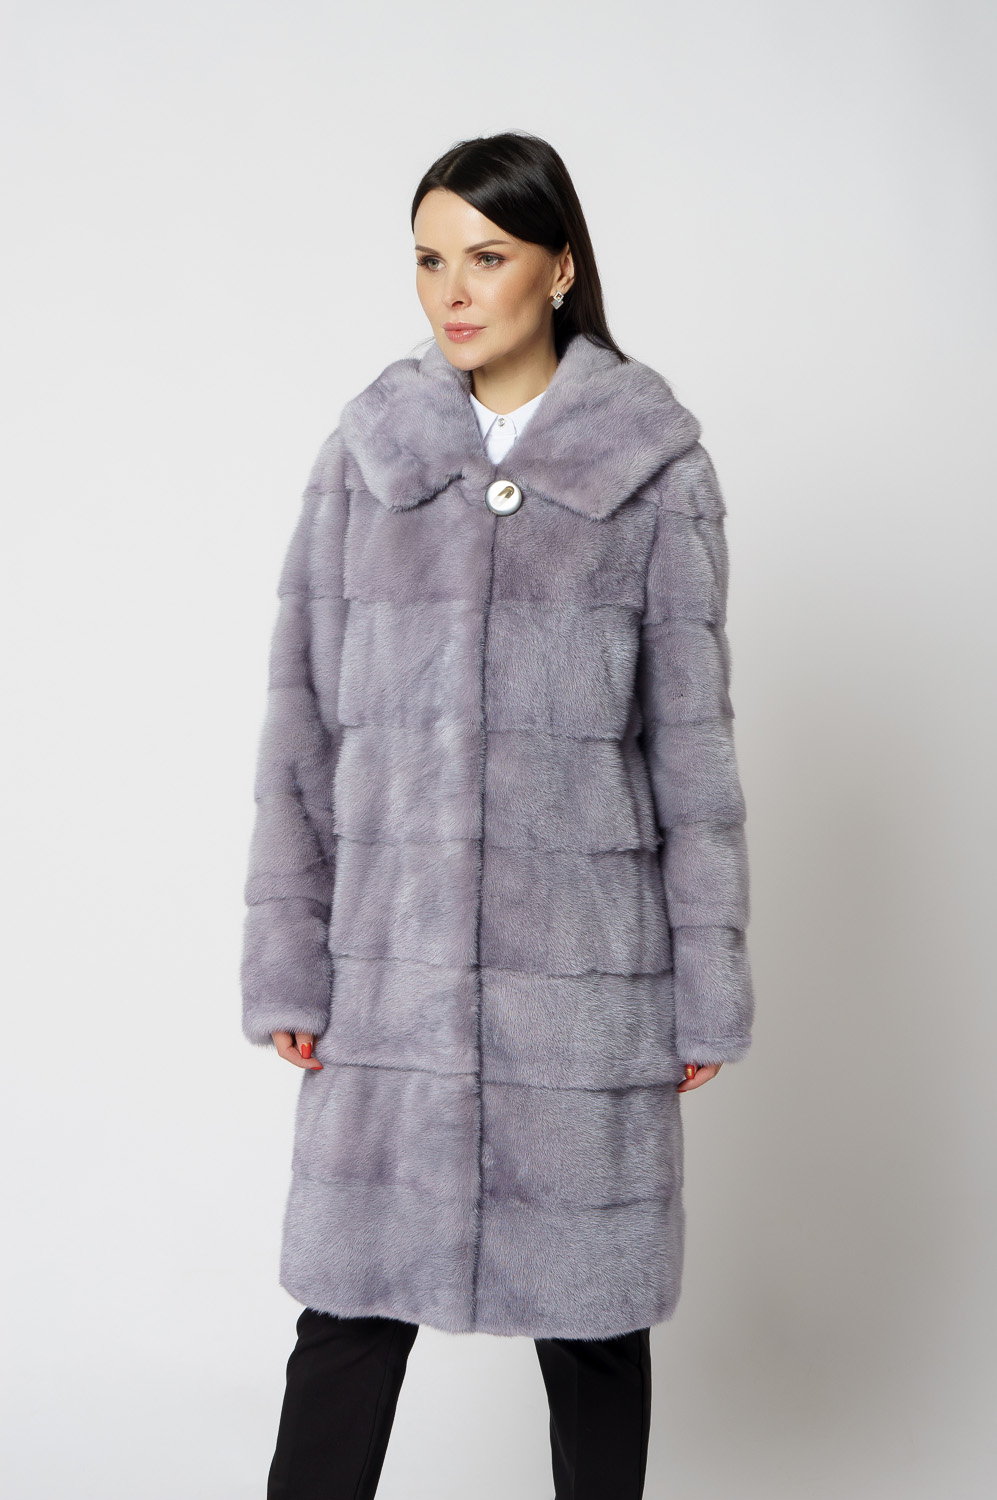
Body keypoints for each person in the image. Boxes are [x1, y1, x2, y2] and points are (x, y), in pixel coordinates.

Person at [240, 130, 755, 1499]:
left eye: (487, 256)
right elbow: (302, 732)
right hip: (391, 979)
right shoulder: (367, 460)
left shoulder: (652, 471)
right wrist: (290, 961)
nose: (453, 292)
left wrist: (702, 987)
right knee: (349, 1316)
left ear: (559, 268)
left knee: (594, 1328)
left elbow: (690, 753)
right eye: (428, 260)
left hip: (581, 986)